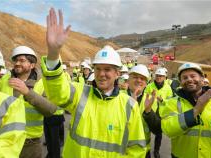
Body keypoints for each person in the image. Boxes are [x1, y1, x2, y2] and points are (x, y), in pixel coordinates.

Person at [41, 8, 147, 157]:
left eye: (107, 69)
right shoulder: (79, 93)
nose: (101, 74)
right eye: (98, 69)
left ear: (117, 73)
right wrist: (53, 53)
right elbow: (57, 93)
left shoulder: (129, 106)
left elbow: (137, 149)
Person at [0, 45, 57, 158]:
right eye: (16, 60)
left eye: (22, 60)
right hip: (5, 140)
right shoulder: (4, 80)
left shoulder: (42, 83)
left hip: (31, 145)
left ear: (32, 65)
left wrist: (28, 93)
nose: (17, 63)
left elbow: (51, 110)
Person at [161, 62, 211, 158]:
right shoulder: (172, 103)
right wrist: (196, 110)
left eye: (193, 76)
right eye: (185, 78)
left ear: (202, 79)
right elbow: (168, 129)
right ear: (180, 82)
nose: (189, 79)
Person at [126, 64, 161, 158]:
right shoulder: (117, 97)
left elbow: (158, 130)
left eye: (142, 78)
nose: (138, 80)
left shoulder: (151, 100)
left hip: (144, 151)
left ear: (146, 83)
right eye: (135, 77)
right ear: (128, 79)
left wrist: (149, 112)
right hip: (121, 151)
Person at [145, 67, 174, 158]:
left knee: (159, 133)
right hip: (151, 112)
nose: (159, 77)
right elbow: (145, 98)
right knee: (147, 130)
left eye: (161, 76)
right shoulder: (149, 86)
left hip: (161, 113)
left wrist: (162, 100)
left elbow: (170, 101)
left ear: (164, 77)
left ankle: (156, 151)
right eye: (157, 76)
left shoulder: (168, 88)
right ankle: (147, 150)